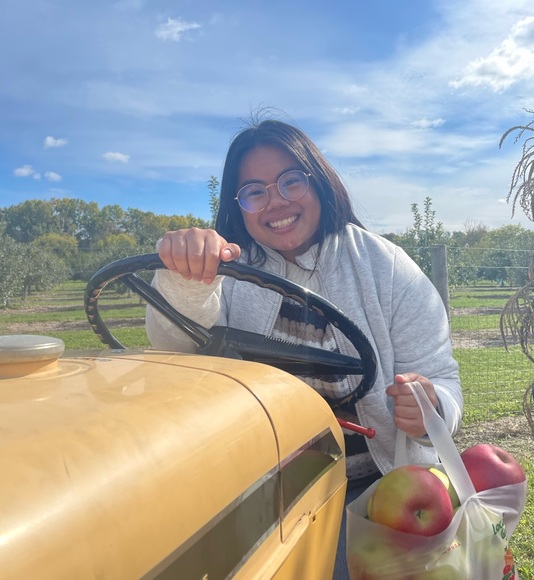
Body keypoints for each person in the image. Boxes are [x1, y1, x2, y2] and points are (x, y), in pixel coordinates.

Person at [145, 117, 463, 579]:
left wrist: (433, 408)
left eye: (291, 181)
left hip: (378, 487)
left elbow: (442, 378)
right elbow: (177, 356)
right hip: (259, 490)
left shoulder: (387, 268)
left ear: (320, 182)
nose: (276, 201)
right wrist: (185, 280)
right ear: (239, 207)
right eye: (254, 191)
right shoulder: (225, 274)